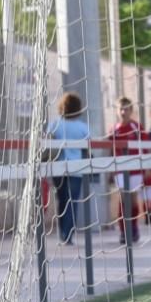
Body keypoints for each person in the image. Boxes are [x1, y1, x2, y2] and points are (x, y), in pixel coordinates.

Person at [46, 92, 90, 245]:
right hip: (76, 169)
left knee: (62, 200)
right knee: (72, 202)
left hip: (58, 167)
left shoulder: (54, 124)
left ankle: (62, 233)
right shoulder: (83, 127)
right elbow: (89, 148)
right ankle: (68, 235)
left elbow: (47, 143)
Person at [110, 97, 146, 244]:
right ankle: (124, 231)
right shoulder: (114, 129)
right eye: (121, 109)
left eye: (126, 109)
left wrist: (147, 167)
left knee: (132, 199)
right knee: (123, 200)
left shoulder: (137, 127)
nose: (123, 112)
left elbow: (145, 147)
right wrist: (111, 169)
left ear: (131, 111)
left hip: (135, 170)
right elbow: (110, 150)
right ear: (117, 111)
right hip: (120, 170)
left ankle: (134, 227)